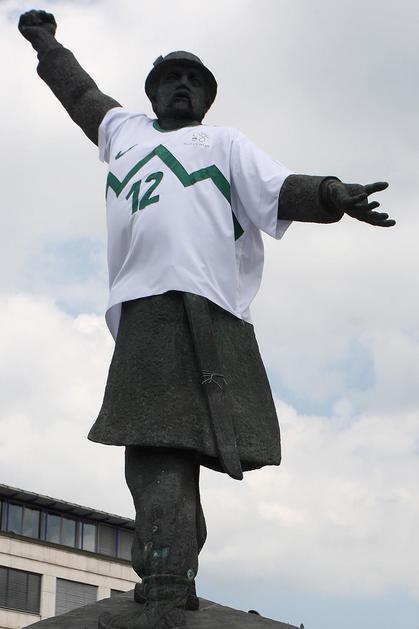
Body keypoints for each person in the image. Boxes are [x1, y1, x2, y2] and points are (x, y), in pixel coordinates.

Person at [18, 9, 395, 629]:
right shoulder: (124, 131)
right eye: (172, 77)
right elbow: (81, 95)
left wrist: (332, 193)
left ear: (207, 98)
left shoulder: (223, 143)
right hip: (141, 310)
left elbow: (279, 188)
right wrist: (47, 45)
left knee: (162, 450)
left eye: (195, 80)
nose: (183, 85)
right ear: (152, 92)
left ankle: (167, 587)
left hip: (205, 311)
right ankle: (170, 580)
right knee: (155, 452)